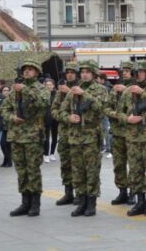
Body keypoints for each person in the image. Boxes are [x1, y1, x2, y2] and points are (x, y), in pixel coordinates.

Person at [58, 60, 107, 217]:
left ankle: (91, 203)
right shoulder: (73, 91)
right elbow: (61, 111)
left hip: (91, 137)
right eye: (83, 72)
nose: (84, 74)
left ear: (93, 74)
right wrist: (68, 117)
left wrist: (84, 94)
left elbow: (101, 108)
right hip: (74, 137)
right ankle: (81, 201)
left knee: (92, 171)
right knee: (78, 171)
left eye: (88, 72)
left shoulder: (100, 89)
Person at [0, 59, 50, 217]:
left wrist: (25, 91)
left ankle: (35, 204)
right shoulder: (15, 90)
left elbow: (43, 103)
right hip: (16, 135)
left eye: (30, 69)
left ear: (36, 72)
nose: (27, 71)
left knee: (33, 170)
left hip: (33, 136)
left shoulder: (40, 89)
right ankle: (25, 202)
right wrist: (12, 118)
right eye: (25, 69)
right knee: (21, 170)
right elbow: (4, 108)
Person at [117, 60, 146, 216]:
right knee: (135, 171)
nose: (139, 74)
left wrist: (143, 94)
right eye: (137, 71)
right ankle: (139, 202)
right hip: (133, 137)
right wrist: (126, 119)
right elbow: (118, 112)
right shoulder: (128, 91)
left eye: (142, 71)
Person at [105, 61, 136, 205]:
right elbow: (106, 108)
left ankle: (133, 193)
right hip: (117, 133)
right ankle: (122, 191)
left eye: (127, 71)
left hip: (131, 133)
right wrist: (115, 114)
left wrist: (127, 91)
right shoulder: (114, 89)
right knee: (119, 164)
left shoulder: (136, 88)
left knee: (133, 164)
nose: (124, 73)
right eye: (123, 70)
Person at [51, 62, 79, 206]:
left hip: (80, 135)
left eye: (72, 72)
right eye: (67, 72)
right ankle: (69, 193)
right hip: (65, 133)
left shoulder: (80, 88)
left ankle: (80, 194)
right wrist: (65, 117)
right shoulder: (60, 91)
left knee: (79, 165)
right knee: (66, 164)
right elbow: (54, 110)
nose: (69, 74)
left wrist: (69, 92)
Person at [43, 78, 58, 163]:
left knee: (55, 136)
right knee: (46, 137)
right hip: (46, 118)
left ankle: (52, 153)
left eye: (50, 85)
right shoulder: (43, 94)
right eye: (47, 85)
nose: (49, 86)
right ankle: (46, 154)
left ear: (53, 85)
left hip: (55, 118)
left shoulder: (56, 94)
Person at [0, 85, 12, 168]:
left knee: (8, 144)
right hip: (1, 125)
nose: (6, 92)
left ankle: (8, 160)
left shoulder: (12, 100)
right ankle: (7, 159)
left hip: (10, 125)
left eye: (7, 90)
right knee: (2, 143)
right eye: (4, 90)